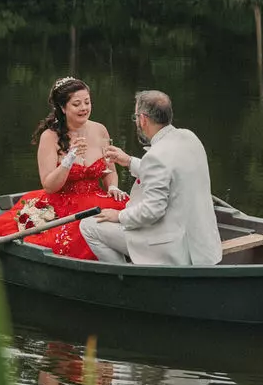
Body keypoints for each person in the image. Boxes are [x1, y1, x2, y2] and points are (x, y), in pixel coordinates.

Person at [0, 76, 126, 260]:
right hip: (63, 203)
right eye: (77, 104)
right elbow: (49, 186)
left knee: (132, 215)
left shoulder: (100, 129)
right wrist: (69, 158)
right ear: (63, 108)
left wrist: (112, 186)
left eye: (87, 102)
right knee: (77, 237)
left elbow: (109, 168)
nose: (84, 108)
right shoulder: (50, 137)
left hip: (97, 198)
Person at [81, 90, 222, 266]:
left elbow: (152, 211)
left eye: (135, 118)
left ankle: (124, 278)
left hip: (170, 249)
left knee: (88, 226)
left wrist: (119, 215)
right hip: (203, 245)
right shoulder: (189, 137)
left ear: (143, 119)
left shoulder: (156, 155)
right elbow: (170, 172)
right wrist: (129, 161)